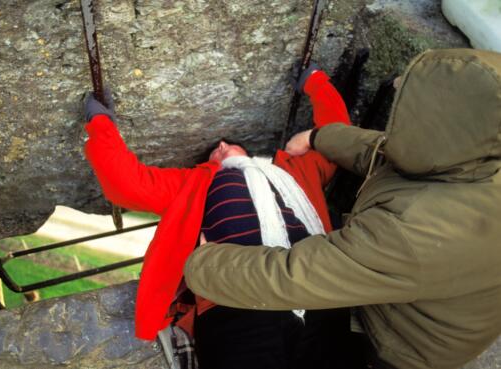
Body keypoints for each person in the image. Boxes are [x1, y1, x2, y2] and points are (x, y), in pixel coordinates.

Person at [184, 48, 501, 369]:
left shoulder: (416, 232)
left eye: (408, 96)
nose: (395, 89)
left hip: (399, 341)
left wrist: (201, 265)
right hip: (404, 280)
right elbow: (387, 152)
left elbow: (297, 276)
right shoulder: (474, 158)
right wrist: (320, 136)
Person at [83, 66, 353, 368]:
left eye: (226, 144)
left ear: (251, 153)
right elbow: (127, 184)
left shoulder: (295, 170)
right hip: (237, 301)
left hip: (321, 294)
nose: (220, 146)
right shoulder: (193, 184)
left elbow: (336, 138)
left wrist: (315, 83)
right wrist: (100, 122)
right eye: (213, 151)